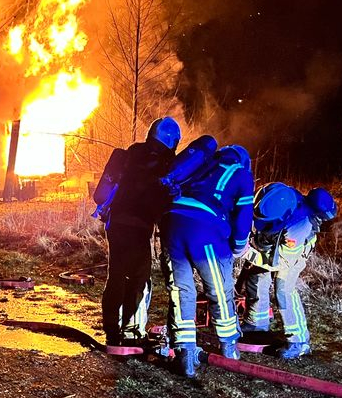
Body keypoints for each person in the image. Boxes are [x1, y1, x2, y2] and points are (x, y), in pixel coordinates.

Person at [159, 143, 255, 377]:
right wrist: (239, 247)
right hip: (205, 231)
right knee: (220, 290)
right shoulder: (241, 173)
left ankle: (185, 355)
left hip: (172, 224)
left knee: (181, 290)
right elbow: (243, 216)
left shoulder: (200, 164)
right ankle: (229, 347)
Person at [97, 117, 180, 348]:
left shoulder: (133, 152)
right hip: (138, 227)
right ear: (172, 141)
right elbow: (163, 200)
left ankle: (112, 331)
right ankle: (131, 332)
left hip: (115, 225)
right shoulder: (164, 163)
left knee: (116, 277)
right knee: (139, 279)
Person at [239, 184, 337, 359]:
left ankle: (299, 341)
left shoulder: (299, 226)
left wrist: (247, 253)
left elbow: (280, 263)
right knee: (256, 276)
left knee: (283, 289)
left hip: (294, 254)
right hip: (273, 240)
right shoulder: (276, 196)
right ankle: (257, 323)